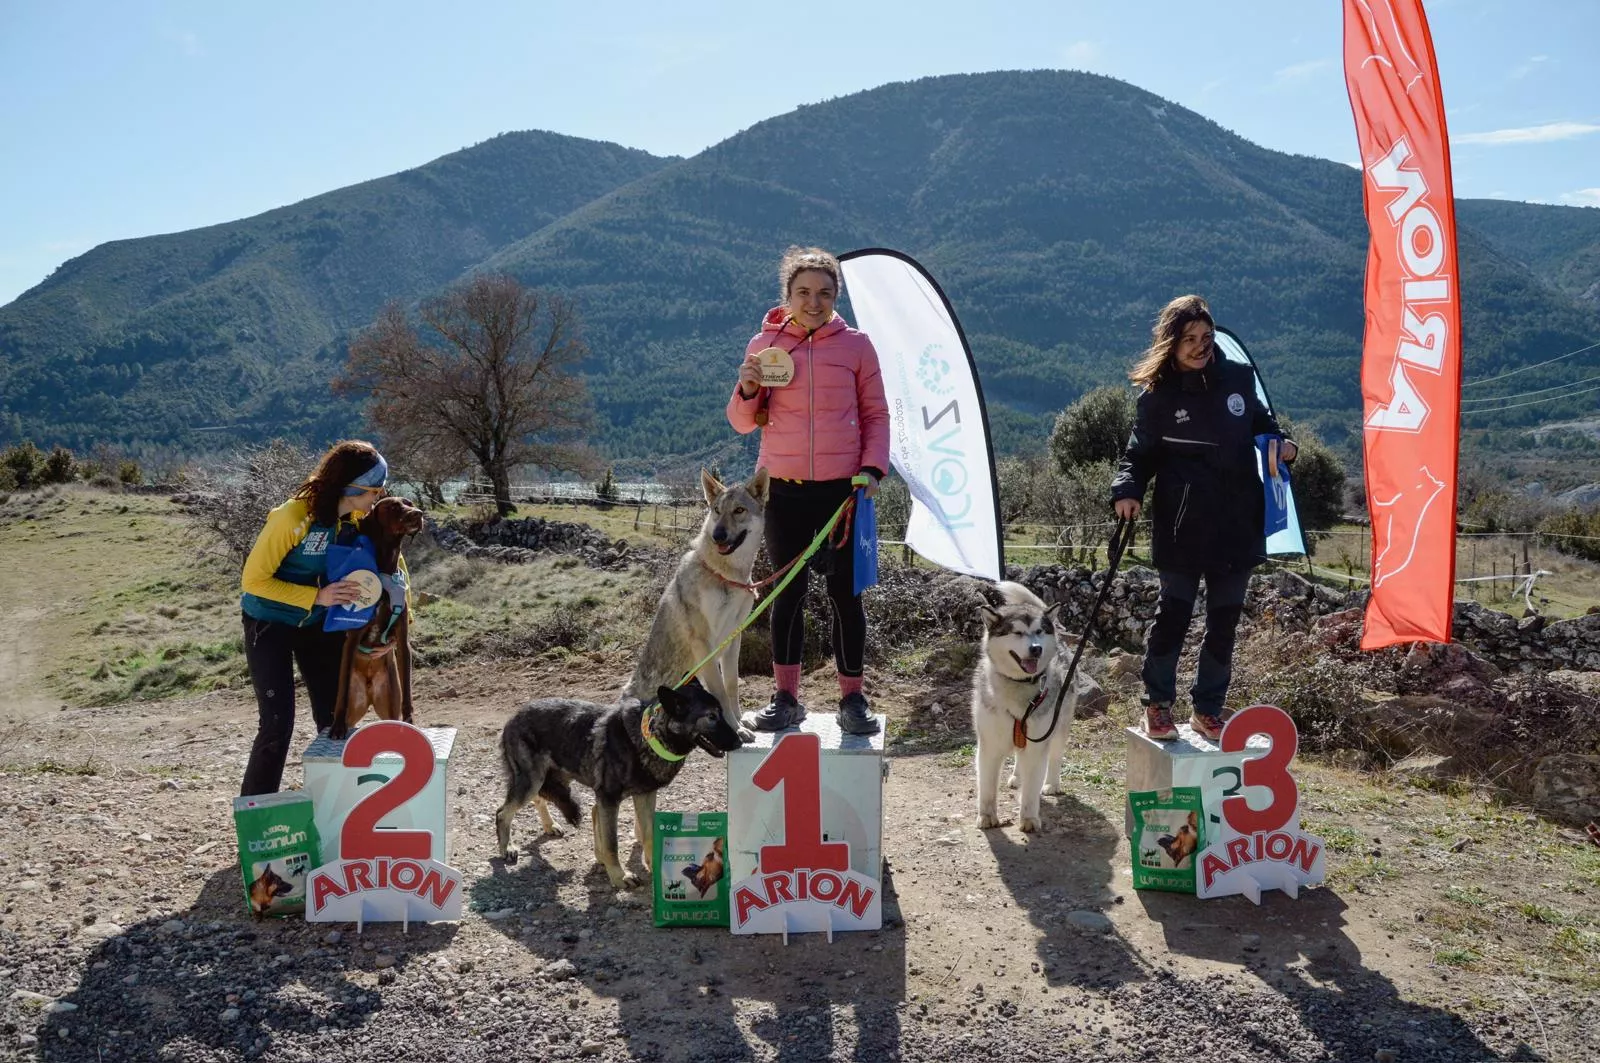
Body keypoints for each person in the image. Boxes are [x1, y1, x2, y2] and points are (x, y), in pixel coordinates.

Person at [1110, 295, 1296, 742]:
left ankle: (1207, 710)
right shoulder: (1157, 398)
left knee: (1224, 622)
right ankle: (1157, 707)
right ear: (1171, 343)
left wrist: (1286, 446)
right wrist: (1127, 491)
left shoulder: (1239, 379)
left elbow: (1264, 426)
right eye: (1189, 339)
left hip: (1238, 523)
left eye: (1206, 337)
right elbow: (1138, 456)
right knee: (1173, 617)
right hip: (1182, 526)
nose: (1200, 346)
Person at [726, 246, 891, 736]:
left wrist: (872, 469)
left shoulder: (857, 346)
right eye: (803, 292)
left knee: (846, 596)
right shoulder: (764, 345)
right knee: (787, 594)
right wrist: (747, 391)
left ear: (836, 295)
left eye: (824, 292)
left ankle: (853, 700)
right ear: (788, 295)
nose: (814, 302)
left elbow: (877, 414)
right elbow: (742, 422)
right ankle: (785, 699)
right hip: (783, 491)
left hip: (844, 491)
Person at [238, 440, 393, 794]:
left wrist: (387, 631)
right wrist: (317, 596)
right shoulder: (292, 517)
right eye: (376, 489)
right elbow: (253, 581)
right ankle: (255, 812)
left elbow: (389, 572)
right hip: (269, 623)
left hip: (316, 624)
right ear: (352, 487)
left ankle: (340, 806)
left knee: (336, 717)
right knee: (277, 724)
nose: (380, 495)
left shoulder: (356, 519)